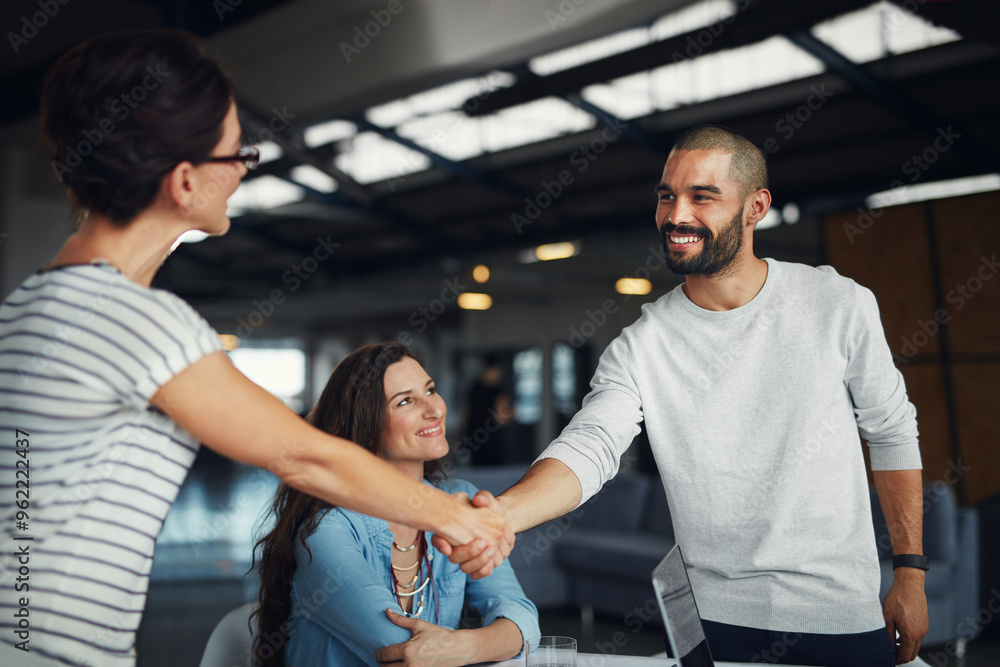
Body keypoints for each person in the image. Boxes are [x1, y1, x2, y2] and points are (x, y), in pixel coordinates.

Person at [0, 31, 506, 667]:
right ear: (184, 180)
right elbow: (307, 458)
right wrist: (459, 520)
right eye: (235, 154)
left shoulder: (27, 306)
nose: (243, 169)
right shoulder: (136, 319)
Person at [441, 125, 929, 667]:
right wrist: (502, 515)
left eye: (703, 196)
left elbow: (890, 432)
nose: (676, 215)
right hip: (711, 622)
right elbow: (589, 447)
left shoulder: (837, 305)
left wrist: (909, 571)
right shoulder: (642, 344)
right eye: (667, 195)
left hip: (838, 614)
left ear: (755, 207)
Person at [252, 342, 539, 667]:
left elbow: (523, 621)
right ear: (364, 425)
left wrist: (468, 647)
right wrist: (482, 643)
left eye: (430, 390)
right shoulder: (325, 531)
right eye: (405, 401)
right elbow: (402, 651)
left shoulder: (460, 499)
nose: (435, 410)